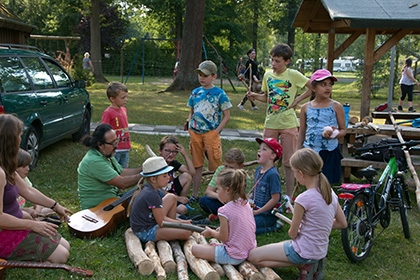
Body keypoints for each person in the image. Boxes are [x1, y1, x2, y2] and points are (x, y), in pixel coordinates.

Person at [249, 148, 347, 279]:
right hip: (319, 252)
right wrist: (319, 226)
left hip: (301, 250)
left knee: (253, 257)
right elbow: (342, 223)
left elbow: (292, 234)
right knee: (263, 256)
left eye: (294, 173)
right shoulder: (330, 192)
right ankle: (307, 264)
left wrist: (303, 228)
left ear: (301, 174)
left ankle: (301, 264)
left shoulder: (303, 198)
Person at [0, 114, 71, 263]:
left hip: (17, 223)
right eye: (19, 136)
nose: (21, 140)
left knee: (65, 246)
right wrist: (33, 224)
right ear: (10, 139)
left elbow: (27, 190)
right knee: (61, 256)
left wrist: (55, 206)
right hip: (5, 232)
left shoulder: (7, 166)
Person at [247, 43, 312, 199]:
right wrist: (255, 96)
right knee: (266, 160)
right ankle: (266, 195)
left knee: (290, 162)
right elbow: (267, 97)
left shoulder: (294, 75)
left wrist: (297, 100)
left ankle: (289, 197)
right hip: (271, 123)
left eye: (277, 61)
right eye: (272, 60)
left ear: (286, 61)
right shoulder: (268, 76)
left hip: (289, 125)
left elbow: (312, 87)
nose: (273, 64)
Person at [187, 60, 232, 202]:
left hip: (211, 133)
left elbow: (227, 116)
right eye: (200, 75)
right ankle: (195, 194)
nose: (201, 78)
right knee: (197, 164)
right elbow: (192, 111)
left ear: (213, 76)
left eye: (205, 75)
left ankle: (220, 193)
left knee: (216, 166)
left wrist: (216, 132)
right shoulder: (195, 93)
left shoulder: (219, 93)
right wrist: (189, 124)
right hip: (195, 133)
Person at [192, 169, 256, 265]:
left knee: (195, 249)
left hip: (234, 255)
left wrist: (212, 232)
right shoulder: (245, 203)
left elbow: (223, 237)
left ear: (228, 189)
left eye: (218, 189)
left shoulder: (224, 211)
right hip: (249, 250)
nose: (217, 192)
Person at [298, 69, 346, 184]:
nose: (328, 88)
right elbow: (302, 132)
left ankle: (327, 202)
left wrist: (335, 134)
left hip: (329, 152)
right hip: (310, 152)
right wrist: (297, 151)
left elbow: (343, 130)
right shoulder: (305, 107)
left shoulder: (336, 106)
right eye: (323, 84)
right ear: (313, 88)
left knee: (326, 185)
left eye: (330, 84)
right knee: (311, 183)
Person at [77, 123, 142, 210]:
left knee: (148, 191)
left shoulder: (107, 154)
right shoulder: (94, 161)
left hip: (112, 201)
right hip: (98, 210)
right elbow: (122, 183)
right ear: (100, 145)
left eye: (116, 141)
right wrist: (145, 174)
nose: (116, 145)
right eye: (112, 143)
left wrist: (145, 168)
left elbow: (121, 172)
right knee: (147, 194)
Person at [130, 156, 191, 243]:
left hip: (153, 221)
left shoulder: (153, 189)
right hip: (146, 231)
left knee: (171, 197)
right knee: (186, 232)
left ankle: (173, 225)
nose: (169, 178)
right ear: (153, 179)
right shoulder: (152, 194)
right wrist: (182, 224)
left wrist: (180, 222)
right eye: (164, 176)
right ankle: (174, 227)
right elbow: (161, 221)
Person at [199, 148, 252, 217]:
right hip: (220, 201)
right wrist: (220, 197)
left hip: (234, 205)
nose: (227, 170)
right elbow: (208, 192)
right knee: (204, 201)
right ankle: (222, 215)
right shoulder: (220, 170)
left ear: (241, 166)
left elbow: (242, 199)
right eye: (226, 166)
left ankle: (222, 215)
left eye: (231, 168)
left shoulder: (245, 178)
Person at [251, 138, 283, 235]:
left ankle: (274, 227)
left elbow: (275, 199)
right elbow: (255, 192)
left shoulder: (272, 174)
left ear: (273, 156)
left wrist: (257, 212)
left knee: (248, 228)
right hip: (257, 210)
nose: (259, 151)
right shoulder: (258, 170)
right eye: (260, 148)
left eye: (264, 149)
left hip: (268, 215)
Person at [158, 135, 195, 215]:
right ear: (160, 151)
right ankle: (177, 213)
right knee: (182, 210)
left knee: (187, 176)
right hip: (160, 197)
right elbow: (156, 189)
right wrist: (178, 198)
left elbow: (192, 172)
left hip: (171, 191)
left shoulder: (173, 163)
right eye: (167, 151)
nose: (171, 154)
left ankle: (182, 204)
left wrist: (185, 154)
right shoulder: (157, 164)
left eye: (174, 151)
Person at [16, 149, 55, 221]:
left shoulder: (24, 179)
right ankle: (37, 220)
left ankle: (37, 218)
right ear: (15, 167)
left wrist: (37, 210)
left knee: (49, 208)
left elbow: (34, 197)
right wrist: (27, 210)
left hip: (23, 211)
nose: (28, 169)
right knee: (27, 215)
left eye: (28, 166)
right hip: (13, 213)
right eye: (24, 167)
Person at [101, 82, 131, 168]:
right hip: (115, 150)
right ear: (112, 99)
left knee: (123, 170)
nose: (126, 99)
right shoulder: (108, 113)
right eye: (123, 97)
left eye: (126, 97)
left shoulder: (124, 110)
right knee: (113, 170)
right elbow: (104, 131)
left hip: (125, 148)